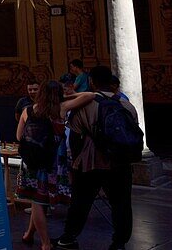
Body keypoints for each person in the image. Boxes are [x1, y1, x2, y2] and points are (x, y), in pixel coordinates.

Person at [54, 66, 139, 250]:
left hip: (90, 162)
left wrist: (75, 161)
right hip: (120, 163)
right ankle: (119, 242)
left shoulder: (85, 105)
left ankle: (69, 237)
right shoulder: (127, 105)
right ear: (112, 82)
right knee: (122, 204)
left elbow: (75, 137)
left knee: (80, 202)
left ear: (91, 81)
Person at [15, 80, 69, 250]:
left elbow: (18, 136)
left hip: (32, 160)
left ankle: (33, 235)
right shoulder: (60, 109)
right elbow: (89, 95)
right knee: (39, 200)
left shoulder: (28, 110)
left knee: (37, 199)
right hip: (52, 161)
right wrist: (63, 97)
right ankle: (45, 242)